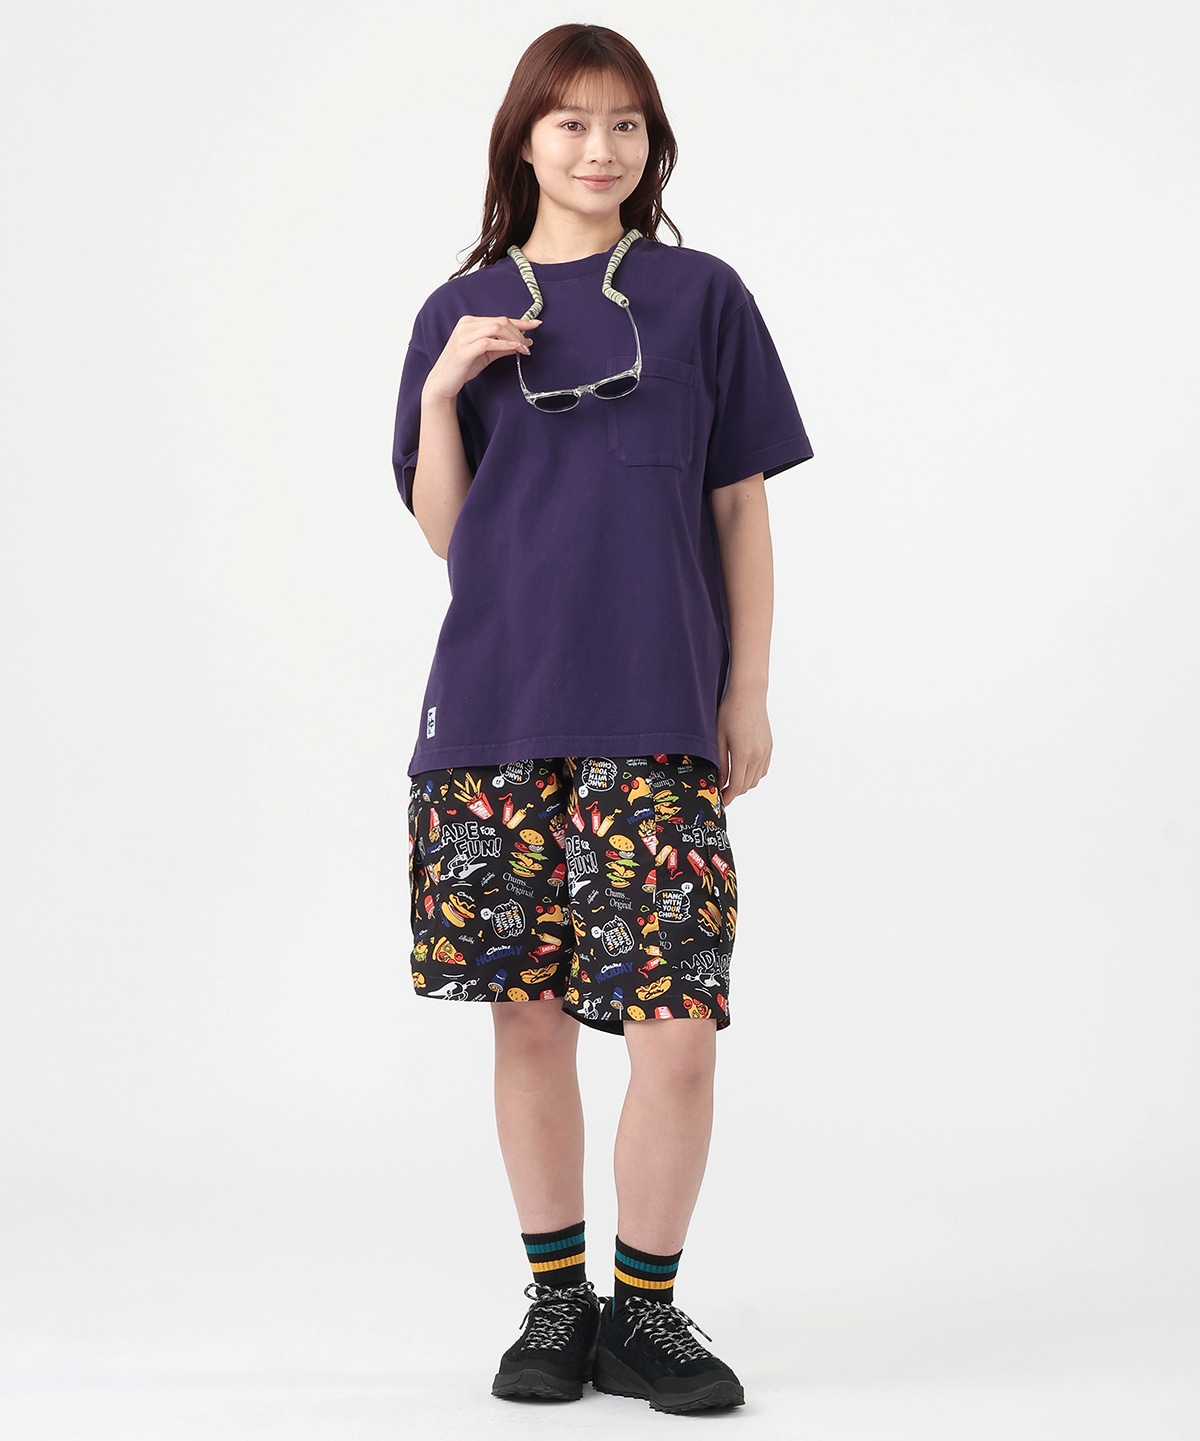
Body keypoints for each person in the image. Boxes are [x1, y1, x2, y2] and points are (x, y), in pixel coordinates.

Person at [391, 22, 812, 1415]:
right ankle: (557, 1301)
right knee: (526, 1023)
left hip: (657, 712)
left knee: (674, 1024)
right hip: (498, 715)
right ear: (525, 139)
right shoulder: (459, 312)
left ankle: (648, 1310)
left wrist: (745, 689)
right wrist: (447, 388)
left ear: (651, 142)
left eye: (626, 123)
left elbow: (740, 505)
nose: (600, 147)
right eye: (571, 122)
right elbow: (452, 535)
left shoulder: (702, 297)